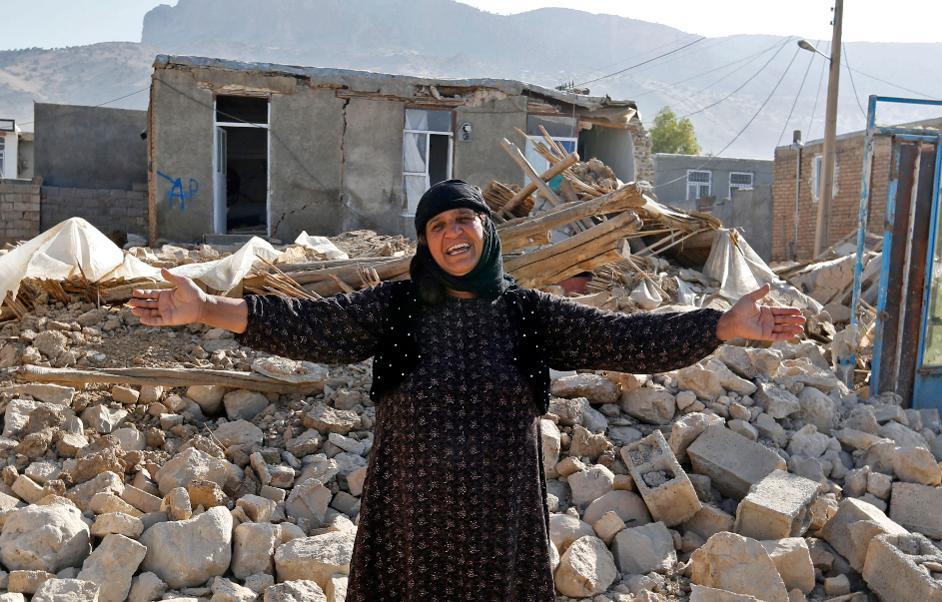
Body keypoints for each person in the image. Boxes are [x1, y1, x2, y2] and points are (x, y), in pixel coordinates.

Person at [130, 179, 804, 601]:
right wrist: (211, 309)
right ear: (424, 241)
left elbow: (622, 340)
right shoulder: (395, 307)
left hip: (499, 534)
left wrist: (723, 325)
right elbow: (311, 327)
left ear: (486, 230)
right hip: (410, 531)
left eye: (463, 221)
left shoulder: (527, 314)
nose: (452, 233)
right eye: (437, 225)